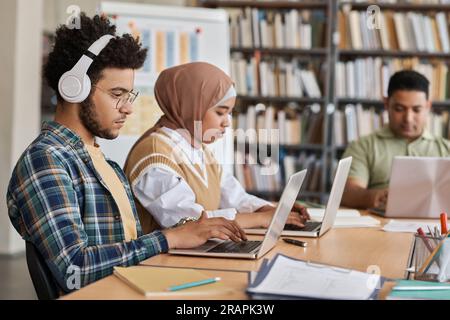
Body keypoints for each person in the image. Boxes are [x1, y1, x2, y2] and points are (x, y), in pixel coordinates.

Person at [6, 14, 246, 293]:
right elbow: (76, 268)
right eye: (117, 93)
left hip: (136, 288)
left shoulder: (104, 163)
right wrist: (170, 238)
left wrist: (187, 234)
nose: (128, 108)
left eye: (129, 95)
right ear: (75, 88)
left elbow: (130, 248)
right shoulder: (46, 161)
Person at [124, 62, 309, 234]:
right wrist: (261, 219)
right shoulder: (154, 155)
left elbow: (235, 198)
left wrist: (272, 209)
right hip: (159, 264)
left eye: (230, 113)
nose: (227, 123)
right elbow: (192, 222)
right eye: (220, 112)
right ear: (191, 106)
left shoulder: (197, 148)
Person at [341, 70, 450, 209]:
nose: (408, 119)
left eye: (416, 110)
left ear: (428, 107)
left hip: (434, 225)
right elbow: (348, 192)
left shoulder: (446, 149)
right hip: (379, 225)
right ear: (386, 104)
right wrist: (375, 197)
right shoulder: (363, 146)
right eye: (399, 109)